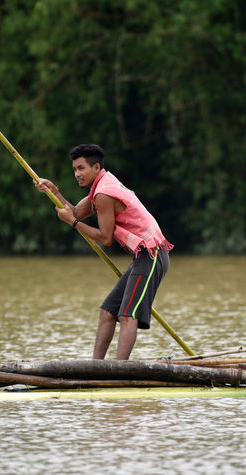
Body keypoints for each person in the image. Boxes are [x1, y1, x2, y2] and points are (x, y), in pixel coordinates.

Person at [35, 144, 173, 360]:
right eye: (74, 169)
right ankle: (96, 368)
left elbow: (105, 237)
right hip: (142, 257)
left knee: (127, 315)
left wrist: (73, 224)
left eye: (81, 168)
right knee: (107, 312)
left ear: (96, 166)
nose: (77, 174)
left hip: (152, 256)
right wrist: (55, 191)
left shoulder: (103, 193)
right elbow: (76, 212)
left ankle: (119, 372)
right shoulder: (100, 186)